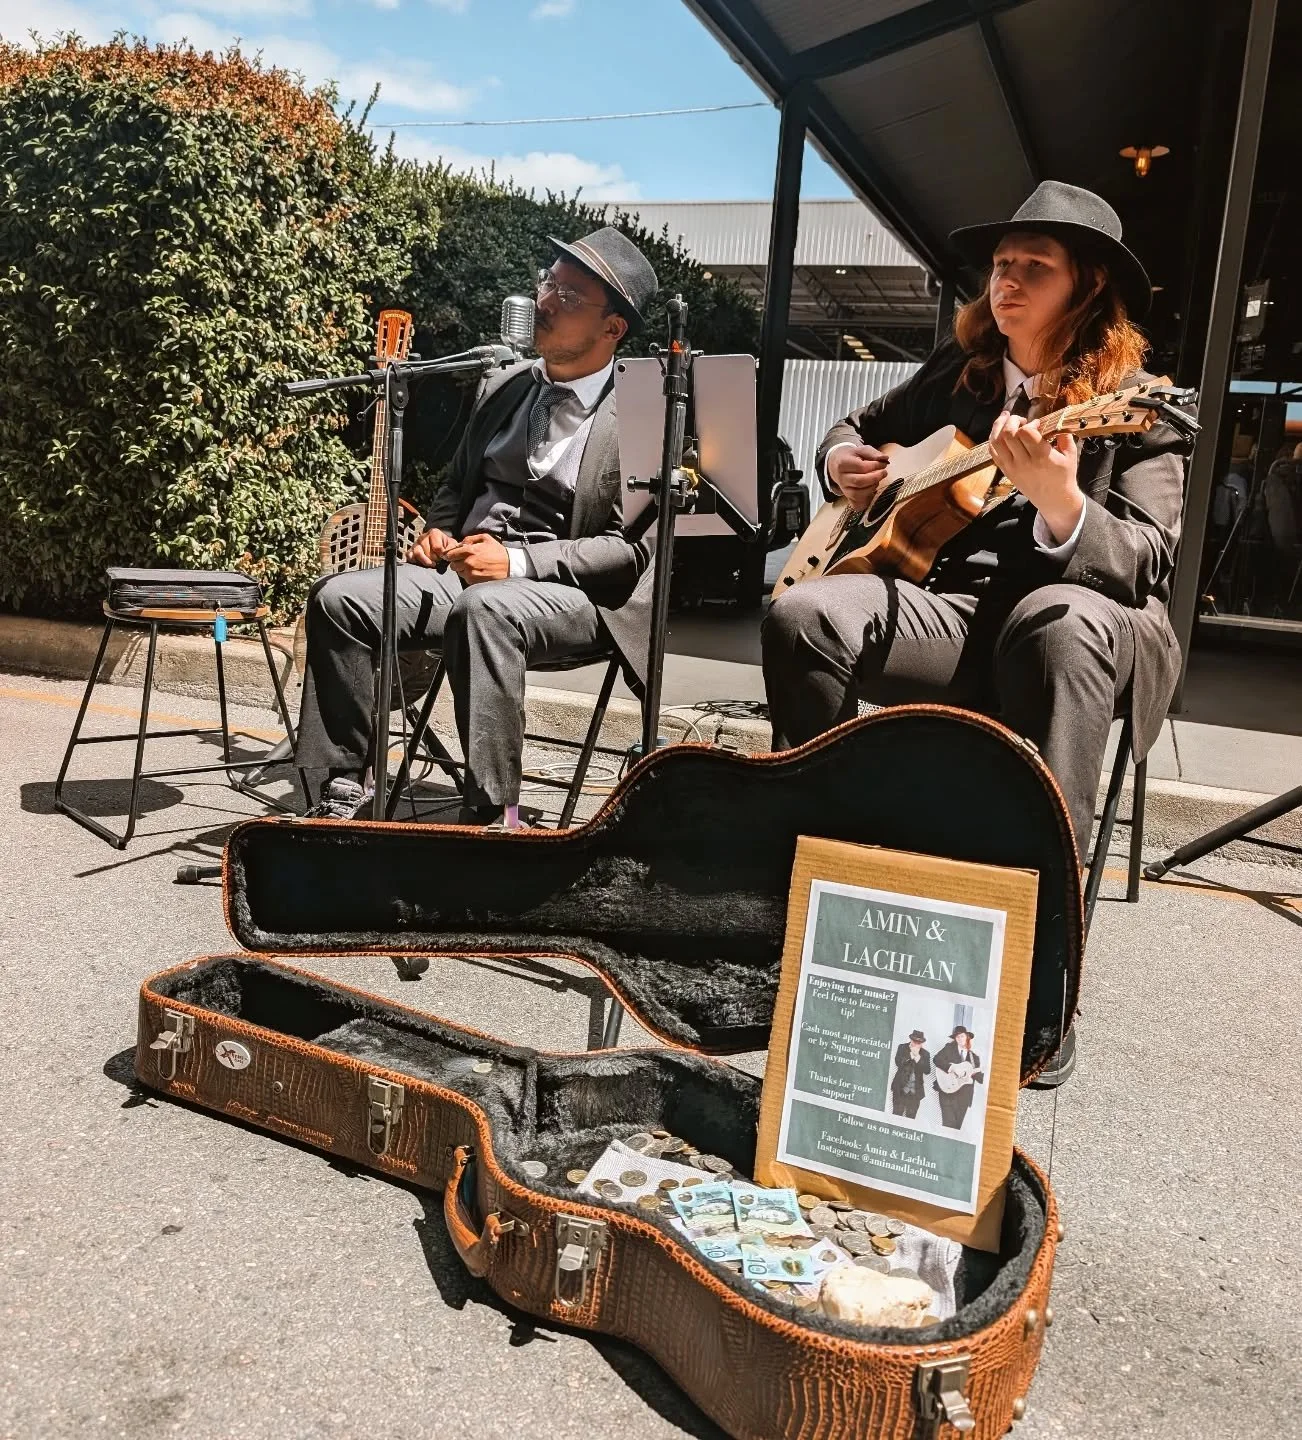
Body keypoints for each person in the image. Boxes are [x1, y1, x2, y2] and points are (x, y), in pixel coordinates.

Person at [762, 183, 1196, 1084]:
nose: (1008, 278)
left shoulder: (1133, 403)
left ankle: (1043, 970)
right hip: (959, 616)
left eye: (1036, 265)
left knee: (1059, 622)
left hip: (1085, 621)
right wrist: (840, 459)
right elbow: (858, 428)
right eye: (1001, 264)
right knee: (803, 613)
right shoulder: (961, 376)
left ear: (1089, 286)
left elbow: (1149, 559)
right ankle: (848, 888)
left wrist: (1065, 504)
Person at [294, 228, 658, 824]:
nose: (544, 302)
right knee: (340, 600)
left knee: (484, 611)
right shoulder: (503, 382)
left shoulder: (644, 410)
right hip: (465, 574)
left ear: (612, 329)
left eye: (569, 297)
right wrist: (438, 530)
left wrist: (516, 564)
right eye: (548, 284)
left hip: (575, 595)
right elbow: (454, 485)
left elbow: (627, 552)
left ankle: (493, 816)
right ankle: (340, 791)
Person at [932, 1026, 985, 1131]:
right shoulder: (948, 1049)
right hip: (947, 1092)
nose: (960, 1039)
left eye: (962, 1036)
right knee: (947, 1125)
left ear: (967, 1037)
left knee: (957, 1127)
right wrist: (952, 1068)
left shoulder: (974, 1058)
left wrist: (974, 1072)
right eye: (957, 1037)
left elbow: (980, 1079)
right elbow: (936, 1059)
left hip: (963, 1096)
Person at [889, 1029, 931, 1119]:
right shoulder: (902, 1047)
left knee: (911, 1119)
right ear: (911, 1040)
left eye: (919, 1043)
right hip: (899, 1090)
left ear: (922, 1043)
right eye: (914, 1041)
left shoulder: (925, 1054)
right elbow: (898, 1062)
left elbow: (927, 1070)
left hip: (915, 1093)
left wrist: (918, 1057)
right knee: (896, 1116)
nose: (916, 1044)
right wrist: (911, 1055)